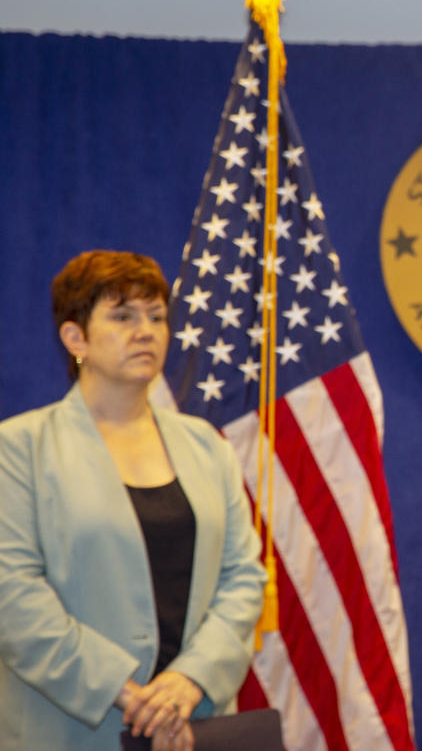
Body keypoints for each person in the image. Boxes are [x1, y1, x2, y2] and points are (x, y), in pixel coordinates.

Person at [0, 251, 266, 751]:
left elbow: (243, 577)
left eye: (157, 317)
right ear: (75, 338)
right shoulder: (17, 449)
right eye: (123, 317)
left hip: (194, 722)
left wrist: (190, 681)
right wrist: (127, 694)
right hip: (72, 730)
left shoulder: (206, 444)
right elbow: (13, 598)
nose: (146, 331)